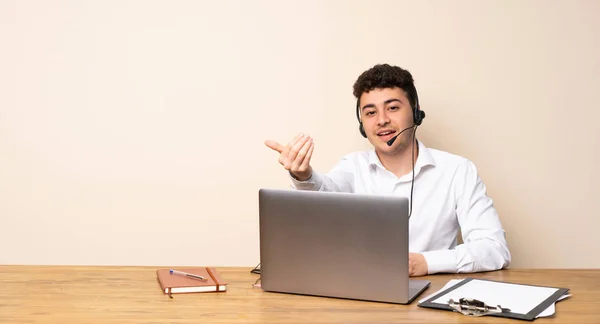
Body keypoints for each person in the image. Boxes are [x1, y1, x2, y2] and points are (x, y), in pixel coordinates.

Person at [265, 63, 511, 277]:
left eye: (392, 108)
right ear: (362, 123)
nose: (381, 120)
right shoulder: (352, 166)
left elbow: (494, 248)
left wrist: (425, 263)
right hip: (360, 294)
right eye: (370, 112)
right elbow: (325, 191)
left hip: (431, 296)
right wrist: (303, 175)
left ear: (415, 111)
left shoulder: (457, 170)